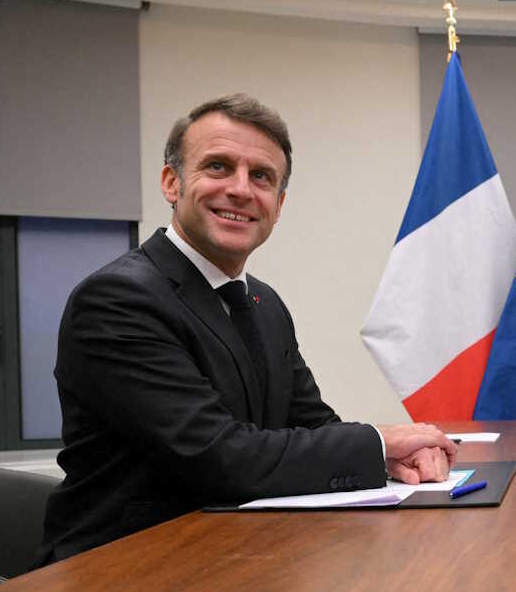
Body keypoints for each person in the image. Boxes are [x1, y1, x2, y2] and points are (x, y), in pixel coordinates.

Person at [39, 94, 458, 562]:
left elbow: (313, 425)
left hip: (242, 555)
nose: (241, 190)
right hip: (121, 566)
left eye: (261, 176)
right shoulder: (118, 299)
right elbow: (220, 457)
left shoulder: (265, 303)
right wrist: (379, 442)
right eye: (218, 166)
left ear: (278, 205)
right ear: (172, 182)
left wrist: (390, 458)